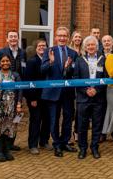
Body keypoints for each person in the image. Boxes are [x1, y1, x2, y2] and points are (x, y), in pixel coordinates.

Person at [41, 26, 78, 157]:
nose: (62, 38)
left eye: (64, 36)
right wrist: (50, 62)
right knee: (54, 119)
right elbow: (43, 70)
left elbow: (75, 72)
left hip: (67, 92)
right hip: (53, 92)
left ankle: (65, 142)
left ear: (68, 38)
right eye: (60, 36)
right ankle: (57, 144)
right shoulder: (49, 51)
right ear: (56, 37)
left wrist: (68, 68)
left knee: (68, 118)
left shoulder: (73, 53)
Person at [0, 30, 26, 151]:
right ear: (7, 39)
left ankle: (10, 143)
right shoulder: (1, 52)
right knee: (1, 120)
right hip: (1, 94)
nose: (13, 39)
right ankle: (2, 147)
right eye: (10, 36)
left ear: (18, 38)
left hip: (17, 91)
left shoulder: (23, 52)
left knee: (14, 119)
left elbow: (24, 70)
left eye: (15, 37)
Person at [73, 36, 107, 159]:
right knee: (82, 125)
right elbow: (76, 79)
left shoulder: (103, 59)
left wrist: (96, 90)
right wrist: (86, 90)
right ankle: (82, 149)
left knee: (97, 125)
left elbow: (106, 79)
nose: (91, 47)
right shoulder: (79, 60)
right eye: (88, 45)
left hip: (98, 98)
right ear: (85, 47)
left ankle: (94, 148)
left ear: (97, 47)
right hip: (83, 98)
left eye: (93, 45)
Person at [0, 54, 22, 162]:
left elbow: (20, 91)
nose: (5, 63)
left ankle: (7, 151)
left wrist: (19, 104)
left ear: (10, 62)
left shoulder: (15, 76)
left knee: (9, 129)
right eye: (3, 61)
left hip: (11, 107)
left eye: (7, 60)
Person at [24, 39, 51, 155]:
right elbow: (28, 81)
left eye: (44, 46)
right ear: (35, 48)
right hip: (36, 97)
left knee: (47, 120)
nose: (42, 47)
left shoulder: (50, 61)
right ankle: (33, 145)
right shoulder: (32, 62)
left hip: (48, 96)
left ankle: (44, 141)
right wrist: (32, 98)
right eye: (40, 46)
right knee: (35, 120)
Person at [69, 31, 83, 144]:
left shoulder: (84, 51)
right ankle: (68, 134)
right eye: (76, 37)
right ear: (72, 38)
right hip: (70, 84)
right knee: (70, 110)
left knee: (79, 110)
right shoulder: (68, 51)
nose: (78, 38)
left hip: (81, 83)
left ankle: (77, 131)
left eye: (79, 37)